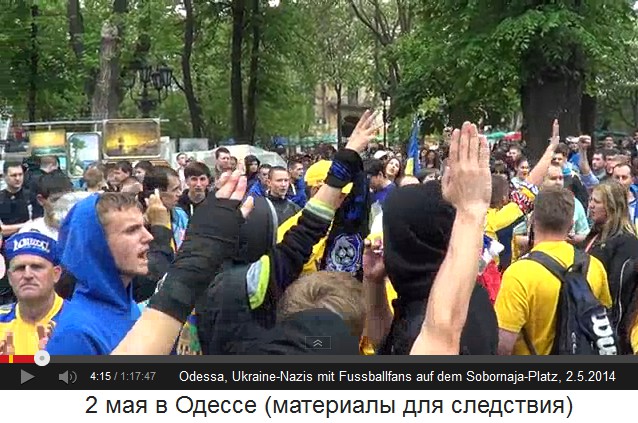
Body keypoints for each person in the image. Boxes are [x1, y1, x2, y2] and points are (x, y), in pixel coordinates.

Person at [111, 109, 379, 355]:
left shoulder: (184, 286)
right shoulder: (251, 286)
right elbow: (307, 231)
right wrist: (347, 156)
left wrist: (203, 240)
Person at [495, 186, 611, 355]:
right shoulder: (594, 266)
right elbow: (603, 323)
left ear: (533, 220)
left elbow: (503, 345)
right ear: (571, 223)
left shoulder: (519, 273)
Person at [45, 193, 153, 355]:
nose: (148, 237)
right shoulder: (76, 333)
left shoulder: (128, 307)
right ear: (97, 245)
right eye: (132, 230)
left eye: (144, 226)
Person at [0, 232, 64, 355]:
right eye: (19, 268)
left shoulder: (76, 321)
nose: (27, 275)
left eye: (36, 267)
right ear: (9, 278)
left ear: (56, 274)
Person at [19, 172, 74, 240]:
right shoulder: (30, 233)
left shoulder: (80, 230)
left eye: (66, 199)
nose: (61, 204)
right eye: (55, 200)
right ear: (41, 200)